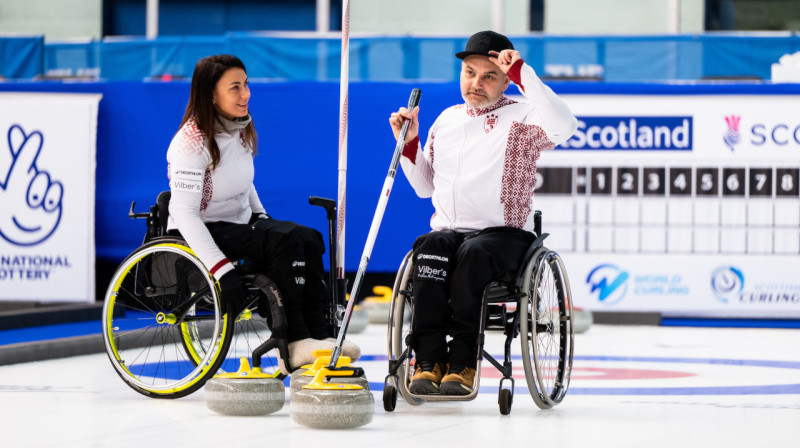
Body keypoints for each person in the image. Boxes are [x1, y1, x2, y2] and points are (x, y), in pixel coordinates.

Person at [388, 31, 577, 395]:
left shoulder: (523, 116)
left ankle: (462, 364)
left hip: (502, 235)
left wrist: (524, 74)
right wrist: (409, 143)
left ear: (506, 80)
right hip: (449, 232)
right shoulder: (446, 120)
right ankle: (427, 362)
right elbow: (425, 187)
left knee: (473, 254)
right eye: (469, 73)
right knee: (428, 247)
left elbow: (566, 127)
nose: (476, 83)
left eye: (489, 75)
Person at [166, 54, 359, 373]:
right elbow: (184, 213)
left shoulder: (239, 128)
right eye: (235, 87)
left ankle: (320, 336)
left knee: (306, 238)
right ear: (211, 94)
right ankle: (294, 342)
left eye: (247, 85)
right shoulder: (190, 143)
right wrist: (222, 271)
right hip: (203, 230)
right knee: (286, 243)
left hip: (239, 225)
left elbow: (244, 184)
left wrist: (262, 217)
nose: (246, 94)